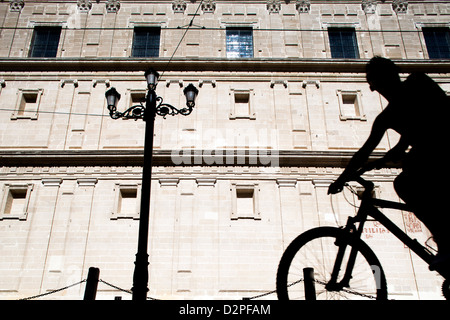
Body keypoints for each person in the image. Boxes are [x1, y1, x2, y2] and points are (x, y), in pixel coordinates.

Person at [328, 56, 450, 265]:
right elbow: (364, 152)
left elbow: (438, 115)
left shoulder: (418, 82)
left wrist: (401, 147)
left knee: (405, 182)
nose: (376, 89)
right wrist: (344, 177)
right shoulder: (387, 116)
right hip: (429, 153)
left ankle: (446, 243)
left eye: (374, 82)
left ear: (390, 76)